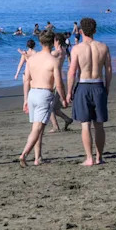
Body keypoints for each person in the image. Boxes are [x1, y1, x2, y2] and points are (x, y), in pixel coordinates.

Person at [66, 17, 113, 166]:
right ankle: (99, 157)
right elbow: (109, 69)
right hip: (98, 85)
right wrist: (107, 87)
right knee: (99, 125)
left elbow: (72, 72)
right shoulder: (103, 47)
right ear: (95, 30)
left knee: (85, 124)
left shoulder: (77, 49)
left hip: (84, 86)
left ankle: (89, 158)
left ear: (80, 31)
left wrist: (69, 92)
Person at [18, 30, 67, 167]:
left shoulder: (31, 59)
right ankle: (24, 154)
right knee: (37, 128)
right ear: (53, 42)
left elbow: (26, 80)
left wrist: (25, 99)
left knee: (37, 128)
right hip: (44, 94)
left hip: (32, 93)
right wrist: (63, 98)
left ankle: (38, 157)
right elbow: (58, 83)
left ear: (40, 42)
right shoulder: (53, 61)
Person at [49, 33, 74, 133]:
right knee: (54, 107)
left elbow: (44, 57)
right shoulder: (63, 50)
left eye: (54, 40)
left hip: (54, 80)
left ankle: (55, 126)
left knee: (49, 106)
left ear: (57, 41)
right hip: (58, 78)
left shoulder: (55, 52)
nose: (53, 42)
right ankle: (67, 119)